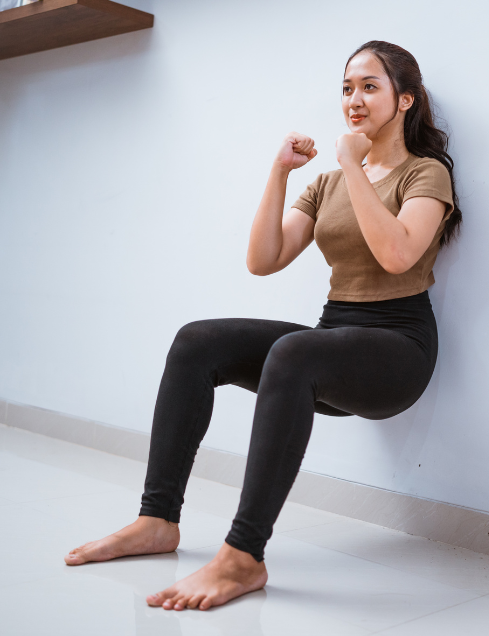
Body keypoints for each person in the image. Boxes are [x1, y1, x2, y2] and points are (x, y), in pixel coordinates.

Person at [63, 40, 461, 612]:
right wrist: (280, 173)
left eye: (370, 87)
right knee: (198, 340)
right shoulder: (326, 184)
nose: (354, 99)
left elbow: (398, 255)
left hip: (398, 349)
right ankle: (157, 520)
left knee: (296, 351)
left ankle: (243, 556)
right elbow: (264, 259)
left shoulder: (426, 174)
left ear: (405, 101)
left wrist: (352, 163)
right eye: (347, 87)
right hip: (333, 338)